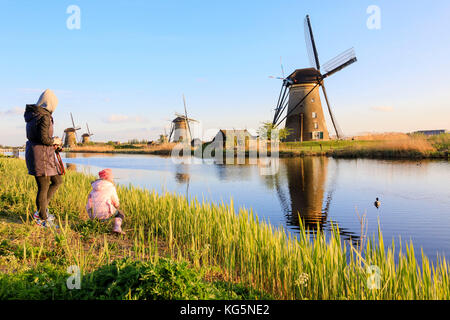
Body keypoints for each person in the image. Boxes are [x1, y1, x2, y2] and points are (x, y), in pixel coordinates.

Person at [24, 89, 63, 227]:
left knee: (57, 180)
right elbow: (44, 139)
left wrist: (52, 142)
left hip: (39, 153)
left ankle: (41, 211)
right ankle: (42, 218)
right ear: (50, 103)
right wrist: (55, 141)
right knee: (44, 186)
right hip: (41, 156)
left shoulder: (34, 114)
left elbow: (39, 137)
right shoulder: (44, 116)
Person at [86, 169, 125, 235]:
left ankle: (97, 227)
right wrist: (116, 206)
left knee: (99, 208)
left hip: (92, 215)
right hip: (104, 214)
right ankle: (117, 228)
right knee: (120, 214)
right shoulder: (111, 187)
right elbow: (116, 203)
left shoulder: (94, 187)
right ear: (109, 178)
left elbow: (89, 199)